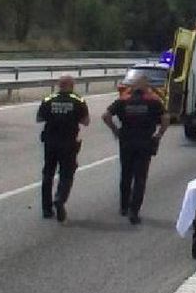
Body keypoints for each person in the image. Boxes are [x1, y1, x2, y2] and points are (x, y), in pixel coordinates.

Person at [102, 75, 168, 224]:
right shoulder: (153, 101)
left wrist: (115, 130)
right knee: (140, 177)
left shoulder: (123, 100)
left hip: (126, 140)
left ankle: (124, 206)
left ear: (132, 86)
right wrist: (159, 134)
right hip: (145, 141)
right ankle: (134, 211)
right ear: (146, 86)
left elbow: (106, 115)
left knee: (126, 173)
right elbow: (166, 118)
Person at [36, 75, 89, 222]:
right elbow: (86, 121)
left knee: (48, 174)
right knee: (66, 174)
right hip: (68, 142)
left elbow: (39, 118)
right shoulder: (78, 100)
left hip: (50, 142)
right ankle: (60, 198)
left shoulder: (48, 99)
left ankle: (46, 210)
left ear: (59, 85)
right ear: (72, 85)